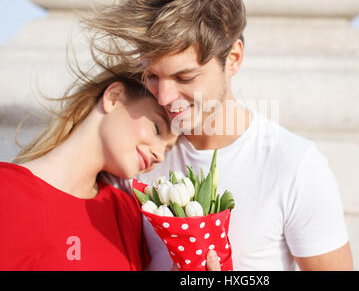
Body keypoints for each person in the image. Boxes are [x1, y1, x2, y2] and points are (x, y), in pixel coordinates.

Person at [93, 0, 353, 270]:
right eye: (152, 75)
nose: (163, 97)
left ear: (233, 59)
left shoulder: (296, 166)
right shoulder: (138, 154)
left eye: (184, 77)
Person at [0, 66, 220, 270]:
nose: (160, 155)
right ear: (114, 97)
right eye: (156, 128)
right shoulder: (7, 190)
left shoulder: (125, 211)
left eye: (169, 148)